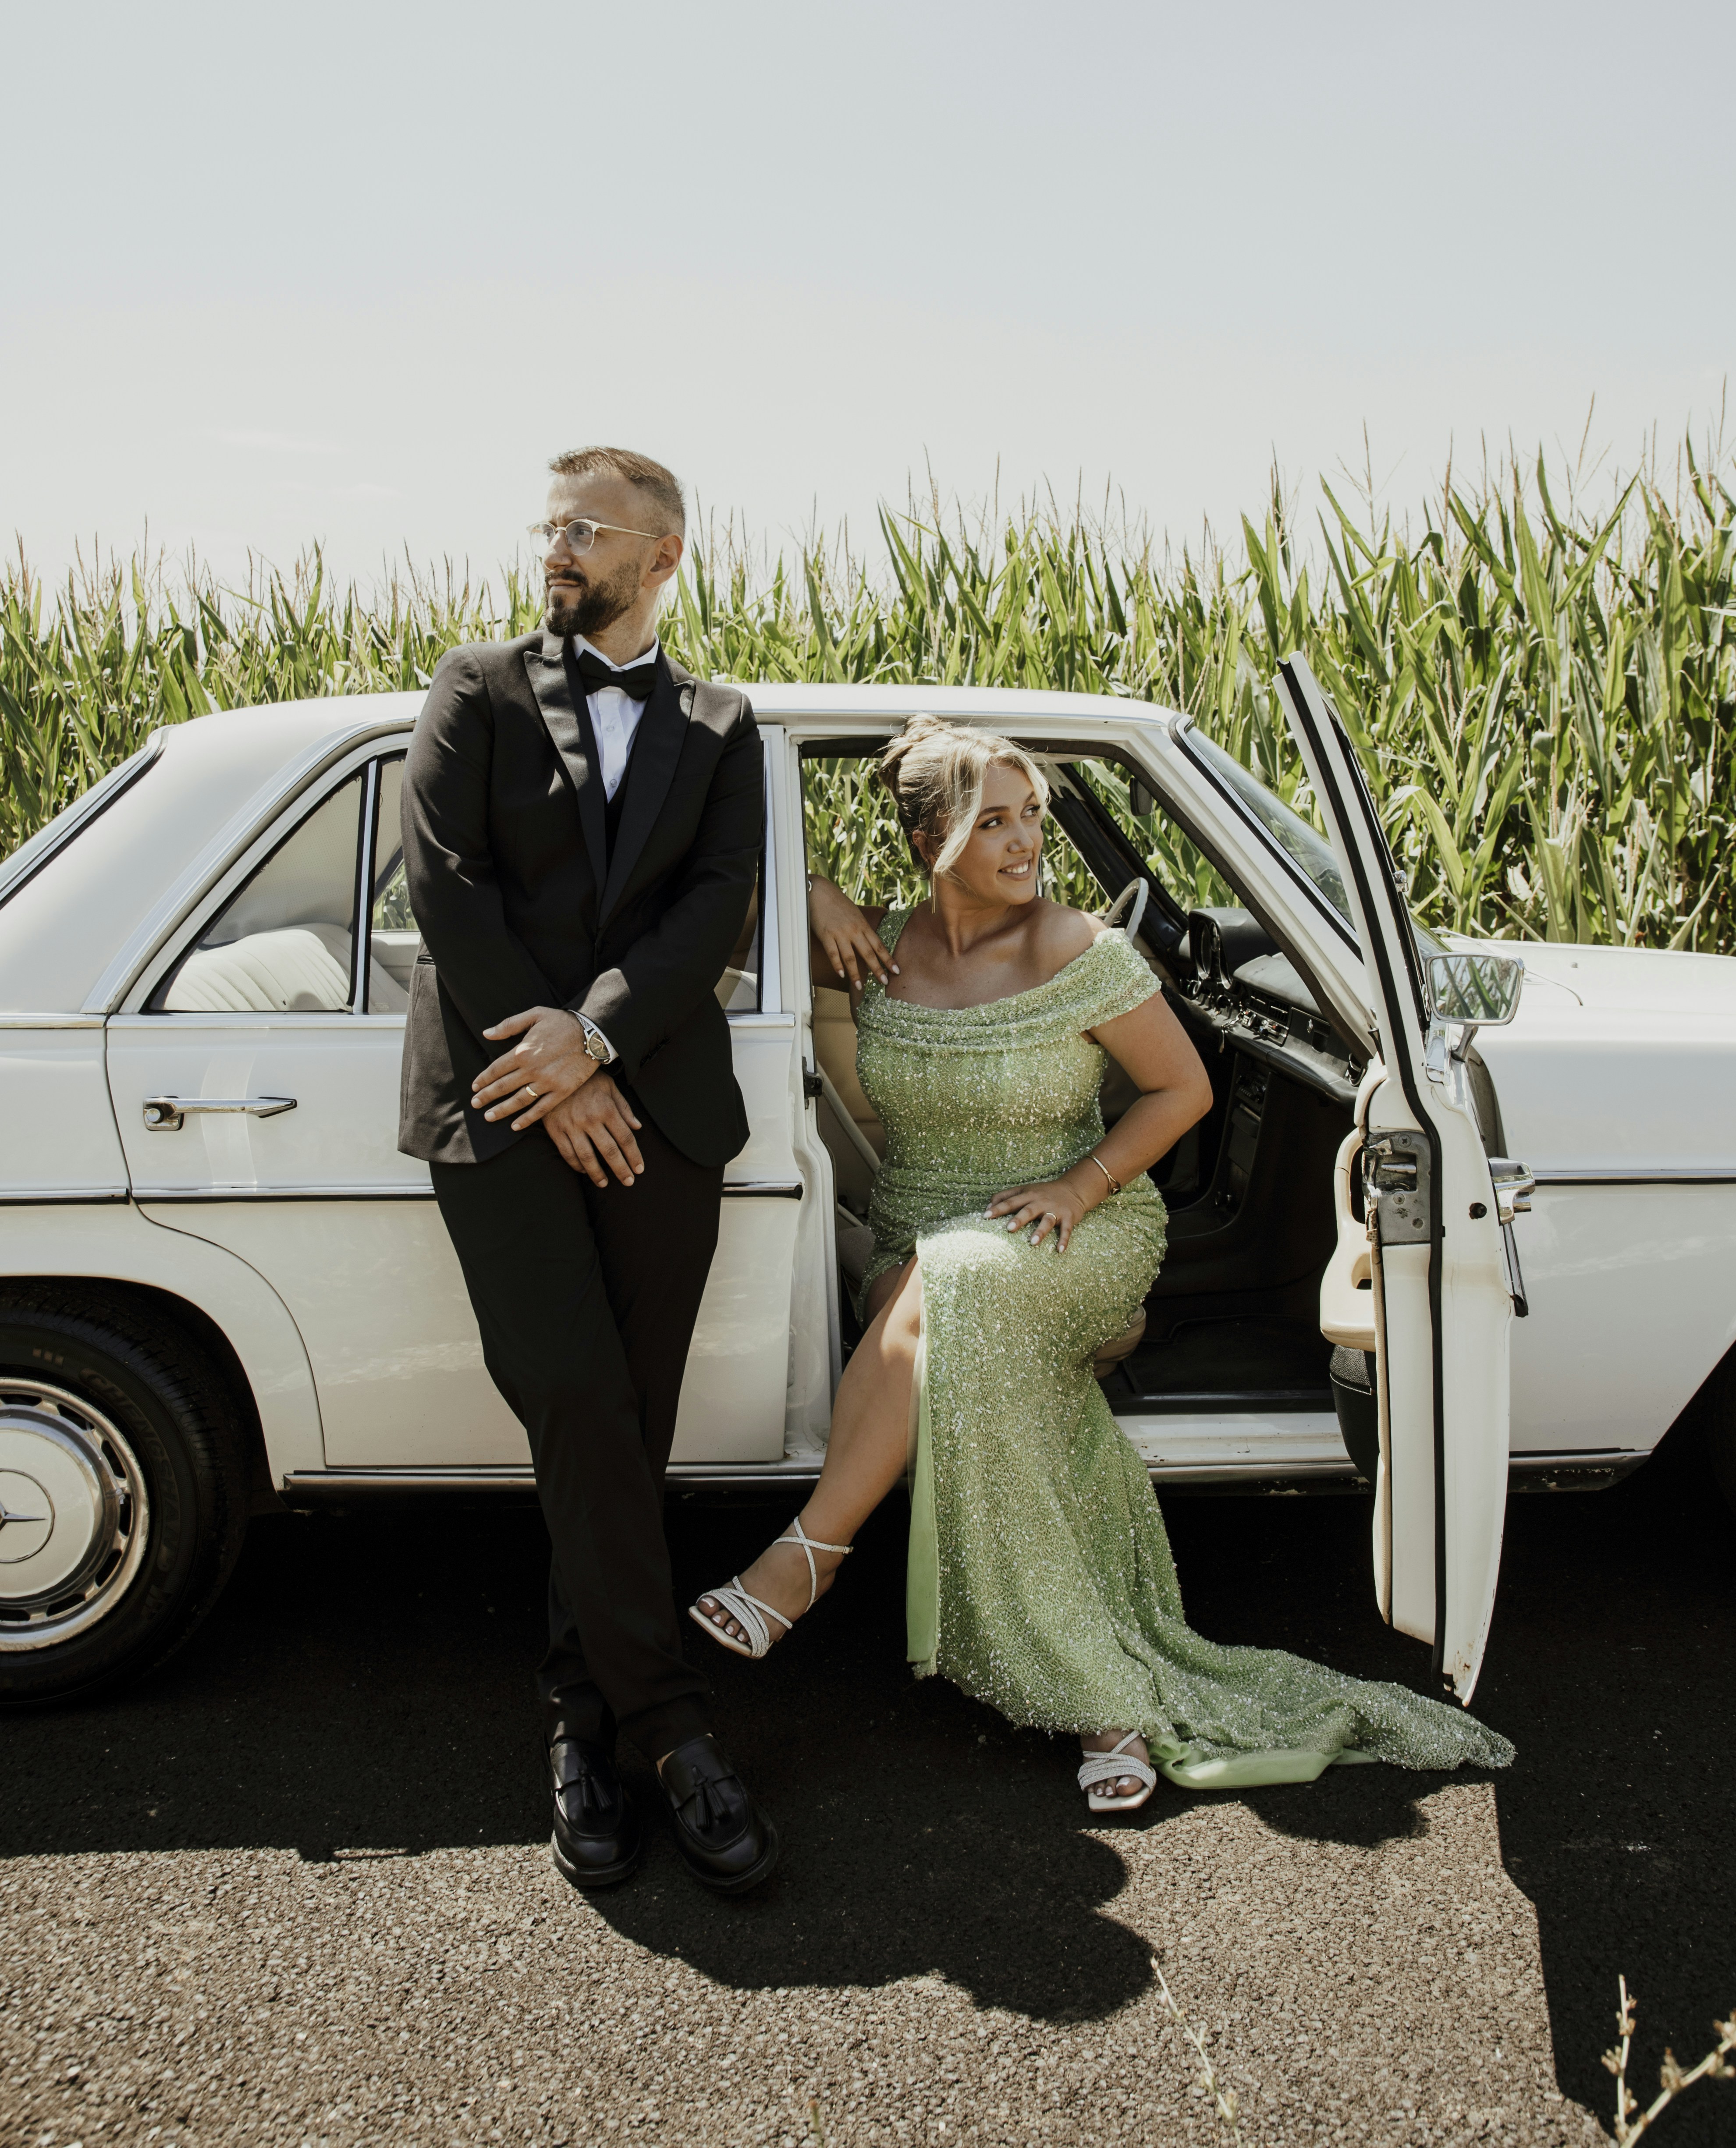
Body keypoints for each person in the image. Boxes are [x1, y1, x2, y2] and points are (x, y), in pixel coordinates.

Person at [691, 715, 1513, 1810]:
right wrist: (811, 892)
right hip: (922, 1229)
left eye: (1031, 815)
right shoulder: (875, 948)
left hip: (1080, 1223)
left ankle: (810, 1557)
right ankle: (1103, 1692)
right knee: (963, 1331)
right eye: (992, 822)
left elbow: (1185, 1090)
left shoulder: (1080, 949)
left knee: (960, 1295)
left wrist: (1081, 1185)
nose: (1025, 841)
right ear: (930, 839)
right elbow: (697, 894)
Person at [399, 445, 778, 1895]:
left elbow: (714, 906)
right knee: (571, 1394)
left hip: (658, 1105)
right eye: (550, 525)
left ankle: (579, 1716)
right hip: (499, 1103)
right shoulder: (476, 686)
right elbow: (447, 886)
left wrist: (601, 1039)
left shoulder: (724, 722)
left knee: (628, 1421)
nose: (556, 547)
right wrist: (556, 1062)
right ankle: (668, 1725)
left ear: (662, 554)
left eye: (587, 528)